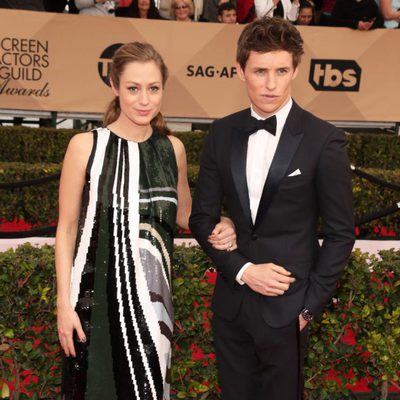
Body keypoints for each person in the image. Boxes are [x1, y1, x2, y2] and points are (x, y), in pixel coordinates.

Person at [56, 42, 236, 399]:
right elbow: (66, 229)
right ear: (114, 87)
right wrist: (63, 304)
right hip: (91, 301)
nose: (144, 100)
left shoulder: (172, 149)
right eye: (133, 88)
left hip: (154, 306)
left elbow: (185, 213)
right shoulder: (85, 146)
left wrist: (221, 223)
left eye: (153, 88)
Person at [189, 16, 355, 400]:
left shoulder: (323, 139)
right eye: (260, 71)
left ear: (295, 70)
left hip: (288, 312)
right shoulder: (221, 132)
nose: (271, 83)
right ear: (240, 71)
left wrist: (308, 307)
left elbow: (340, 233)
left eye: (281, 70)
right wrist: (243, 270)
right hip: (231, 305)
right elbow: (201, 217)